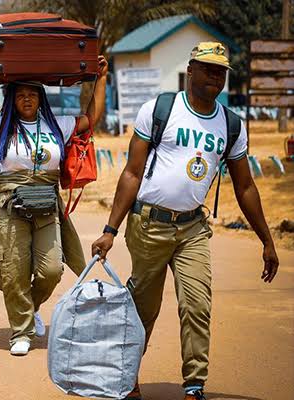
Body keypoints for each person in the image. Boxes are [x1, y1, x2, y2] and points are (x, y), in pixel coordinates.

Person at [90, 42, 279, 400]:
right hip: (149, 224)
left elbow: (246, 186)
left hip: (192, 228)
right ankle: (126, 377)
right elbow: (131, 173)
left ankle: (194, 384)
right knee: (144, 308)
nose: (215, 76)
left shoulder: (231, 124)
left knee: (197, 304)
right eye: (208, 68)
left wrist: (267, 240)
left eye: (221, 71)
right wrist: (110, 230)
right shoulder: (160, 109)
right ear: (190, 70)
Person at [0, 44, 108, 356]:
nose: (27, 99)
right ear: (12, 98)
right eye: (21, 94)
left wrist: (102, 78)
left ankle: (30, 306)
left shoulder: (57, 126)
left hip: (47, 205)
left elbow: (92, 116)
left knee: (52, 269)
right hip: (8, 206)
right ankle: (20, 331)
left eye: (32, 94)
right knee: (14, 270)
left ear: (41, 98)